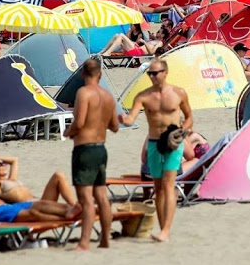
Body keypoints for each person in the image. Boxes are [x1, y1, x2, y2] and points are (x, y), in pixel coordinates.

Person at [118, 59, 193, 243]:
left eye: (155, 73)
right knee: (158, 188)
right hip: (153, 143)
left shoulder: (178, 93)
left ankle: (165, 230)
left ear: (165, 72)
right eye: (149, 74)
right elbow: (131, 118)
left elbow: (190, 117)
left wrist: (183, 131)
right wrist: (124, 120)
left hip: (173, 143)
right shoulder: (143, 96)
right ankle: (162, 229)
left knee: (168, 185)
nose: (151, 77)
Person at [64, 59, 119, 251]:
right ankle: (105, 239)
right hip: (100, 149)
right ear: (100, 75)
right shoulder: (108, 96)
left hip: (85, 149)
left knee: (86, 199)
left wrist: (68, 132)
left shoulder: (83, 92)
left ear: (82, 75)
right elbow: (115, 127)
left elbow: (79, 123)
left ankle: (84, 242)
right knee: (102, 196)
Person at [0, 155, 77, 207]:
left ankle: (75, 205)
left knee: (58, 175)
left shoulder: (12, 180)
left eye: (3, 163)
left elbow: (14, 160)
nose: (4, 165)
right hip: (33, 208)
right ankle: (76, 206)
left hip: (40, 202)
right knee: (58, 175)